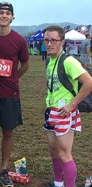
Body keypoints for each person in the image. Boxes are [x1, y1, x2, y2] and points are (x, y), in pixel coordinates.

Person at [0, 2, 30, 187]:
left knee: (8, 131)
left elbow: (25, 64)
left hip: (10, 93)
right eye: (1, 13)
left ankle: (3, 169)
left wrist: (13, 77)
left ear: (12, 17)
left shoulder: (19, 40)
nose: (4, 16)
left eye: (7, 13)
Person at [43, 26, 92, 187]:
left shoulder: (69, 61)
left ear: (62, 42)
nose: (49, 44)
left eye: (53, 40)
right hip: (51, 112)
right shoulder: (50, 61)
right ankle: (58, 183)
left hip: (64, 113)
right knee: (54, 152)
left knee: (64, 154)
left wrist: (71, 105)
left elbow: (89, 82)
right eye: (46, 40)